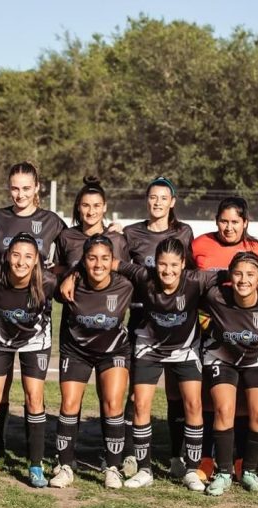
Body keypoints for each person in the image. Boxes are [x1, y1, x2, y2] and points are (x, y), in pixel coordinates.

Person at [112, 237, 218, 491]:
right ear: (154, 264)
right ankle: (145, 469)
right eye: (162, 264)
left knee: (193, 404)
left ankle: (192, 470)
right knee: (140, 403)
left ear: (183, 264)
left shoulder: (197, 280)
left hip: (185, 349)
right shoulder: (143, 275)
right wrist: (74, 274)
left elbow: (234, 276)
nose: (167, 271)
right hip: (150, 347)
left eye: (173, 265)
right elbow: (113, 262)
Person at [0, 161, 67, 466]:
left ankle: (35, 462)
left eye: (26, 188)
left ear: (37, 188)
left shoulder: (53, 222)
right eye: (14, 188)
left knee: (34, 394)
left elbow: (73, 257)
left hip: (35, 324)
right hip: (0, 319)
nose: (20, 194)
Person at [0, 233, 58, 488]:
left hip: (35, 340)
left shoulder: (48, 281)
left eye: (28, 256)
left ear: (37, 261)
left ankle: (35, 466)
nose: (21, 262)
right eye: (16, 255)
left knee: (34, 397)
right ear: (7, 256)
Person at [122, 176, 195, 479]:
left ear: (172, 202)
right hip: (142, 318)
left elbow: (191, 276)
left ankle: (178, 456)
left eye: (163, 198)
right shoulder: (131, 233)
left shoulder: (184, 232)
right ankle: (130, 454)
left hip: (176, 320)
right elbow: (122, 269)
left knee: (177, 391)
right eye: (153, 197)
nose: (157, 202)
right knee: (137, 394)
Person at [49, 234, 134, 489]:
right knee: (70, 403)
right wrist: (71, 274)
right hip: (76, 351)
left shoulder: (126, 285)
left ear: (113, 261)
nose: (98, 264)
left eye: (105, 258)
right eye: (92, 258)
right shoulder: (67, 286)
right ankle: (65, 465)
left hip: (114, 351)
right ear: (83, 261)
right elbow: (47, 273)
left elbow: (148, 274)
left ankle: (112, 467)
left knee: (113, 403)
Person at [200, 252, 258, 495]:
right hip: (221, 357)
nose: (243, 280)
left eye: (250, 275)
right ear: (230, 275)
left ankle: (249, 472)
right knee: (224, 409)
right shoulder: (215, 296)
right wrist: (213, 331)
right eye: (238, 273)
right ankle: (223, 472)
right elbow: (197, 311)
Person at [56, 176, 129, 268]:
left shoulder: (117, 240)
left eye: (96, 206)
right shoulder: (66, 237)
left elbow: (126, 276)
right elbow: (59, 273)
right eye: (85, 205)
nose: (91, 212)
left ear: (104, 207)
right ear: (78, 207)